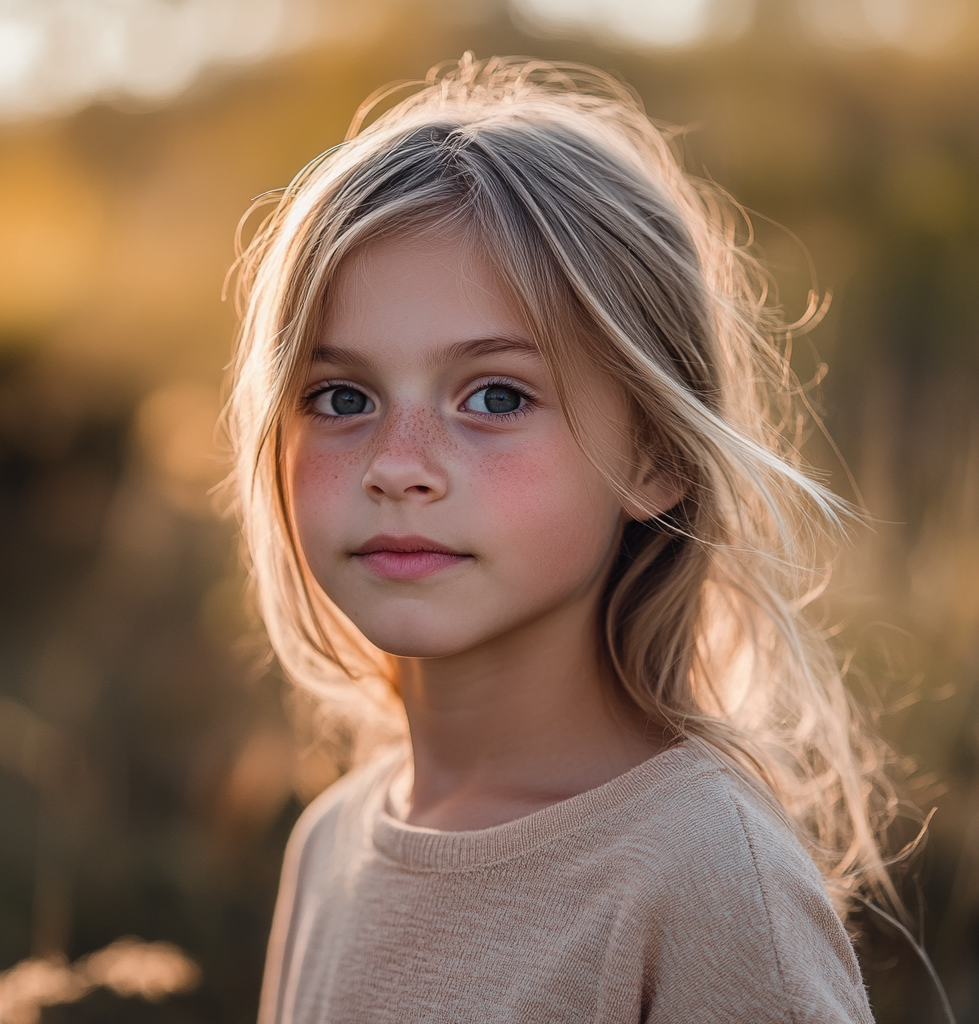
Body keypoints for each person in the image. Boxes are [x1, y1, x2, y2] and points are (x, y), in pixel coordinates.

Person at [226, 54, 895, 1023]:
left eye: (494, 395)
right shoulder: (328, 844)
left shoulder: (706, 876)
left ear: (656, 455)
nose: (396, 464)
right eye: (341, 397)